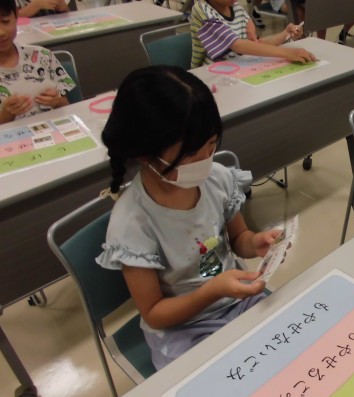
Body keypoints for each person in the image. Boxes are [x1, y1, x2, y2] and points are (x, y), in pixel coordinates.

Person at [96, 66, 282, 370]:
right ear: (146, 154)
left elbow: (239, 238)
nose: (206, 160)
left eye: (212, 145)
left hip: (237, 301)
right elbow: (154, 313)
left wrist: (255, 242)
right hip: (182, 329)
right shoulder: (132, 222)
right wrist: (213, 290)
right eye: (192, 153)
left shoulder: (216, 178)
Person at [0, 0, 75, 125]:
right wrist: (6, 115)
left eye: (5, 21)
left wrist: (57, 101)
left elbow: (68, 107)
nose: (1, 32)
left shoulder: (41, 56)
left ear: (16, 15)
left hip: (52, 131)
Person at [190, 0, 316, 68]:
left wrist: (285, 33)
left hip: (240, 68)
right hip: (212, 73)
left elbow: (255, 44)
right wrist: (287, 53)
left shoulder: (237, 8)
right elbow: (237, 45)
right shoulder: (201, 9)